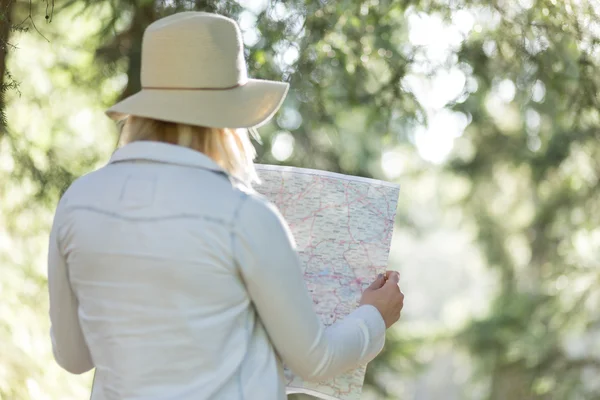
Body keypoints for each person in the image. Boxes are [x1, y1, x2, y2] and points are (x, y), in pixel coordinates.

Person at [47, 11, 405, 400]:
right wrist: (375, 316)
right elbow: (314, 360)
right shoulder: (244, 215)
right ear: (229, 117)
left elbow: (73, 357)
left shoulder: (78, 202)